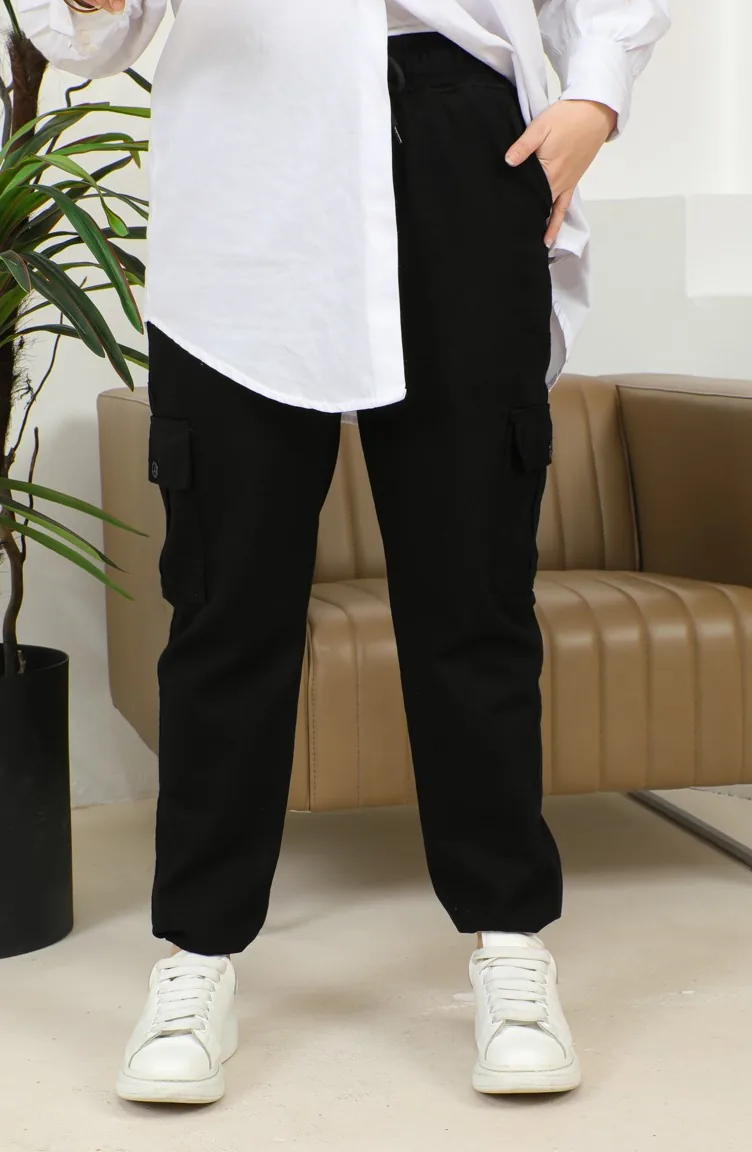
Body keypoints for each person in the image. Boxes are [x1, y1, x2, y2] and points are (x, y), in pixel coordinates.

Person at [18, 0, 670, 1105]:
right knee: (228, 599)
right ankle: (196, 954)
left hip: (463, 140)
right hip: (245, 163)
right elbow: (96, 35)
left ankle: (510, 941)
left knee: (474, 591)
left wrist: (594, 96)